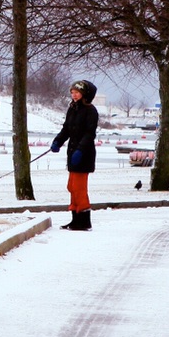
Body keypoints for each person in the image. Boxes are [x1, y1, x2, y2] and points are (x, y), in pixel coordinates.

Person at [50, 79, 98, 230]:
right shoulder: (72, 109)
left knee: (79, 187)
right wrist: (58, 141)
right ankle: (75, 218)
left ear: (85, 94)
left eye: (77, 92)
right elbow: (66, 129)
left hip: (84, 154)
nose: (74, 95)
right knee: (71, 186)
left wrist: (80, 150)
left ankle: (84, 220)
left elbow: (90, 134)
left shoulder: (91, 111)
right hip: (72, 152)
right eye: (72, 92)